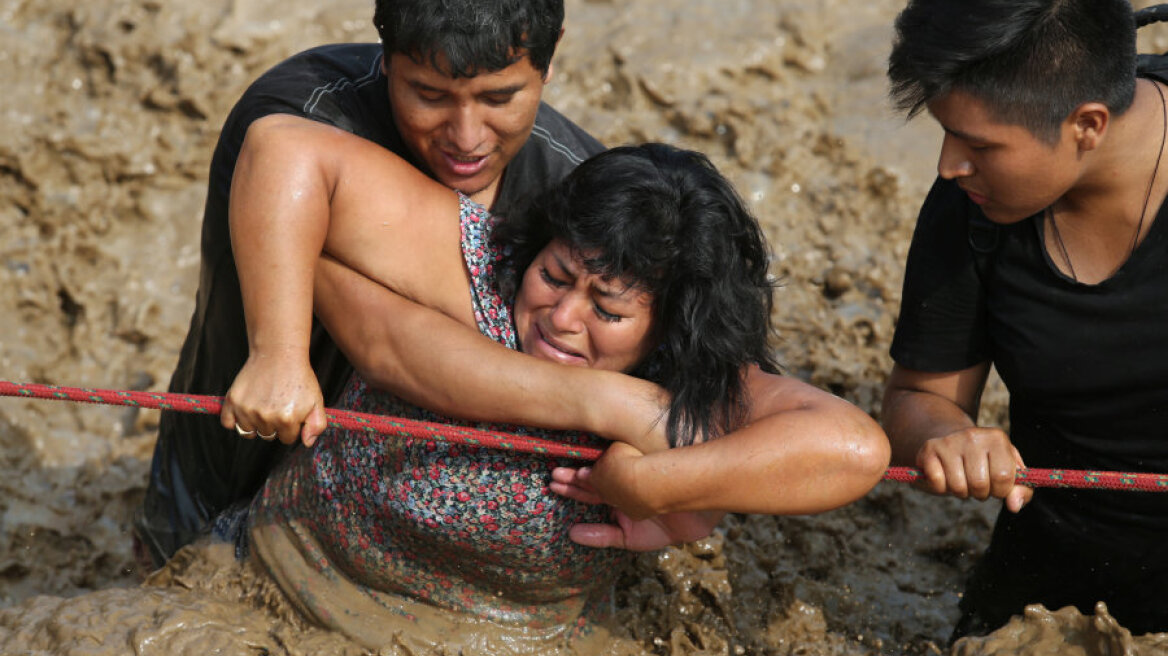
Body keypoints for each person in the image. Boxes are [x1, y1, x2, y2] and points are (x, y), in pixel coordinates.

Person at [218, 123, 891, 649]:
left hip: (518, 641)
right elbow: (281, 147)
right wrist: (278, 354)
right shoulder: (483, 267)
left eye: (608, 310)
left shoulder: (688, 383)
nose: (563, 318)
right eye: (556, 275)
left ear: (668, 332)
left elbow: (854, 449)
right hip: (277, 590)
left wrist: (660, 486)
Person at [135, 0, 607, 567]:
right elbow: (384, 342)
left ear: (548, 63)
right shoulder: (301, 116)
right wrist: (276, 355)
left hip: (409, 540)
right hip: (226, 465)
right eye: (429, 95)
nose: (466, 136)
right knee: (170, 581)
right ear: (387, 58)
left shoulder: (582, 193)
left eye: (499, 98)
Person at [882, 0, 1168, 640]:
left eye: (980, 145)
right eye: (946, 133)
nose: (948, 166)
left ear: (1087, 124)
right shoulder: (969, 206)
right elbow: (915, 398)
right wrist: (947, 435)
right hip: (1051, 581)